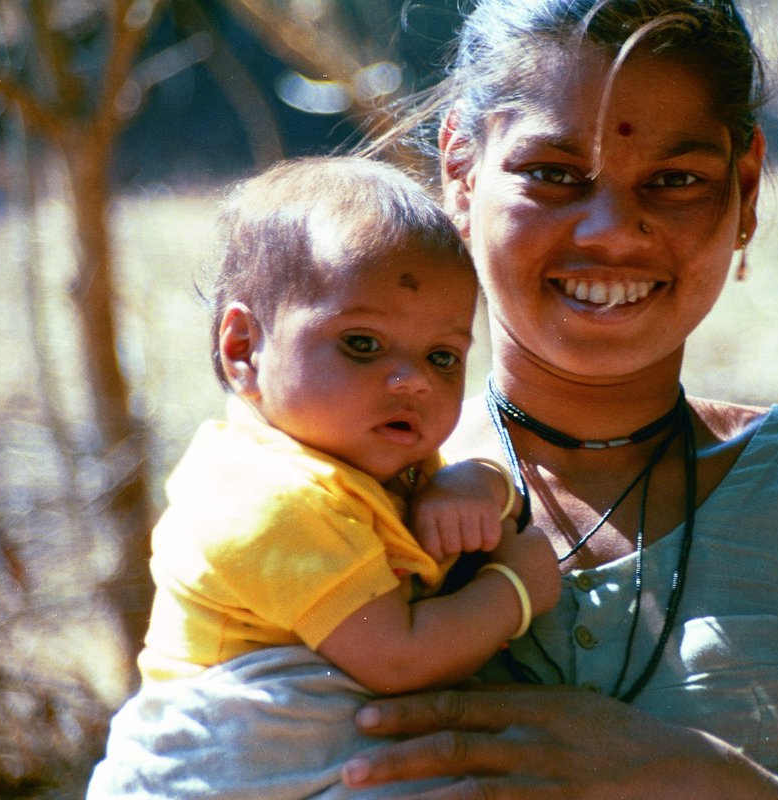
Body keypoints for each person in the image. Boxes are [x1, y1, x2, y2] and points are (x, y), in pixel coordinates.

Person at [335, 2, 778, 799]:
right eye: (553, 174)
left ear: (745, 188)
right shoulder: (340, 489)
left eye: (675, 180)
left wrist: (706, 780)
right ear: (461, 171)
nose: (612, 231)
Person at [86, 155, 560, 799]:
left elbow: (455, 508)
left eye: (442, 356)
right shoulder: (265, 496)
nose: (414, 380)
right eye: (362, 344)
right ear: (243, 349)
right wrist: (517, 588)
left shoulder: (363, 454)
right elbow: (398, 660)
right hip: (221, 769)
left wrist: (479, 482)